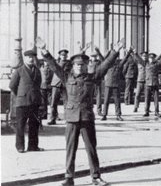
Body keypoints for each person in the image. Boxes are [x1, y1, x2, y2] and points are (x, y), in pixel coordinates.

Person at [37, 37, 123, 186]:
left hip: (86, 118)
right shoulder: (66, 77)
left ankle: (95, 177)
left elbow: (105, 65)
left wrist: (115, 51)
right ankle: (69, 177)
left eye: (82, 65)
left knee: (91, 149)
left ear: (85, 66)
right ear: (73, 66)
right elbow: (54, 65)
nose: (79, 67)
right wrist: (45, 51)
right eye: (77, 65)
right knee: (70, 149)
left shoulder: (92, 77)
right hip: (71, 119)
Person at [9, 49, 43, 153]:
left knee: (34, 125)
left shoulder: (37, 71)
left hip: (34, 102)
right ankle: (20, 147)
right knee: (20, 125)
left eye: (33, 57)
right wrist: (21, 95)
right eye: (29, 57)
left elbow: (38, 85)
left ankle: (33, 146)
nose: (31, 59)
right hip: (22, 103)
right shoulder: (19, 70)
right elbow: (12, 86)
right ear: (25, 58)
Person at [133, 49, 161, 117]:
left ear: (154, 58)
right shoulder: (145, 64)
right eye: (150, 58)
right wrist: (135, 53)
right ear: (148, 59)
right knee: (147, 99)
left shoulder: (157, 64)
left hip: (155, 83)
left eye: (152, 58)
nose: (151, 59)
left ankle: (156, 112)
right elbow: (139, 59)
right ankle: (146, 111)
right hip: (148, 84)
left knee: (156, 99)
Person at [101, 49, 131, 121]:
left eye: (115, 58)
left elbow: (124, 59)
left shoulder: (119, 65)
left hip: (116, 85)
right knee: (106, 101)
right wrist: (99, 51)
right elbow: (102, 58)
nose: (114, 59)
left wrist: (129, 52)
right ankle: (104, 115)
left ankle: (118, 115)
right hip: (108, 85)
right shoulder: (107, 65)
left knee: (117, 101)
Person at [48, 49, 70, 125]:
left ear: (67, 56)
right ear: (60, 56)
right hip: (56, 84)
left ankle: (68, 119)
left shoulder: (69, 64)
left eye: (65, 55)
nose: (63, 57)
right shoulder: (56, 63)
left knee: (67, 102)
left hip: (65, 84)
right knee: (53, 102)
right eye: (62, 55)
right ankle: (52, 118)